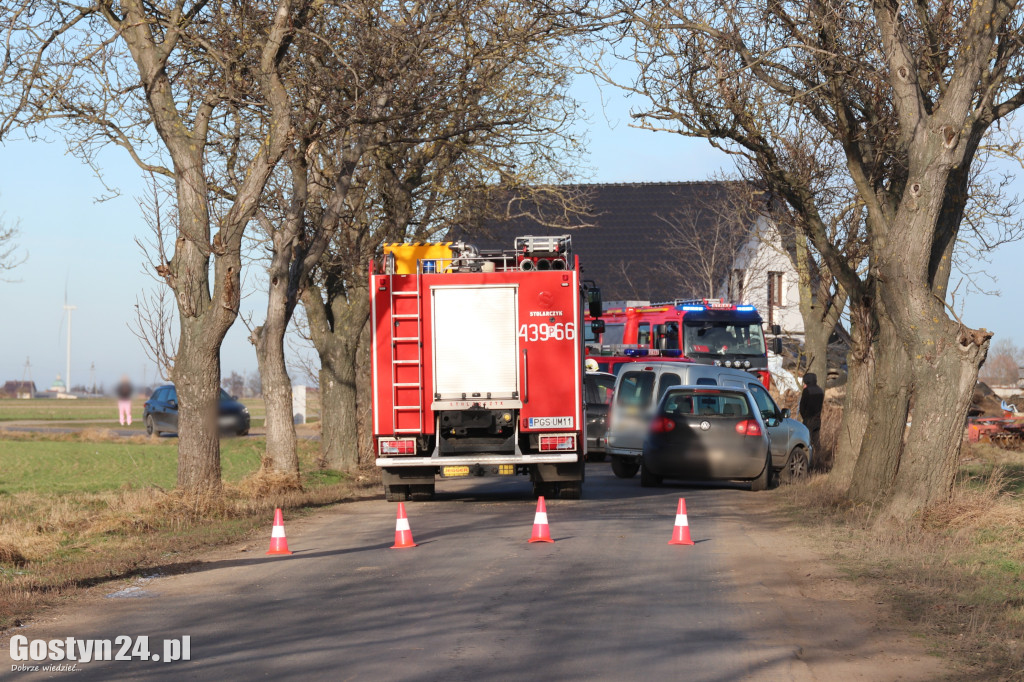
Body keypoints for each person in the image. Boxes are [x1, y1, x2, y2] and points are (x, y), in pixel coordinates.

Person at [799, 372, 825, 455]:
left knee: (807, 441)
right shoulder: (820, 391)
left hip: (808, 419)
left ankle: (808, 458)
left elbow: (802, 406)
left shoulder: (807, 391)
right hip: (817, 419)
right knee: (817, 442)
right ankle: (818, 458)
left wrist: (804, 417)